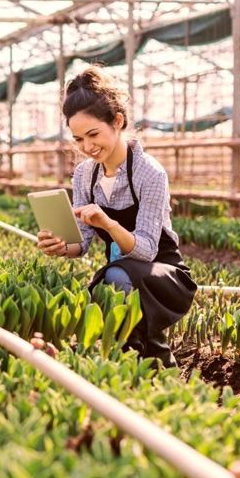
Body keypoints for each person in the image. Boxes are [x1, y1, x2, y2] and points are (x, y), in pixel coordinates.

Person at [36, 65, 196, 368]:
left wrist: (108, 224)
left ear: (118, 121)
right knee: (112, 279)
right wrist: (60, 245)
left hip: (163, 274)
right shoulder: (84, 175)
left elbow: (147, 251)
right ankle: (139, 364)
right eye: (79, 139)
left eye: (93, 134)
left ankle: (152, 361)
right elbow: (81, 243)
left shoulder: (149, 173)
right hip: (121, 271)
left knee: (116, 276)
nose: (87, 147)